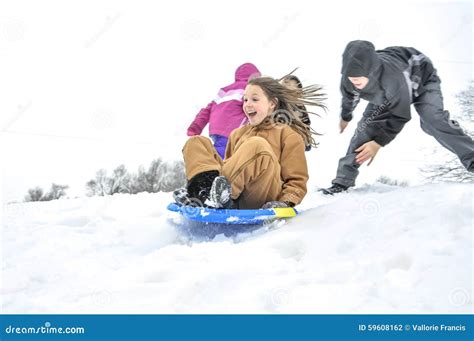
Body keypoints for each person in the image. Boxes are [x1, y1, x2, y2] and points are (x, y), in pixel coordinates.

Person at [321, 40, 474, 195]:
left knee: (433, 120)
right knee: (364, 130)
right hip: (386, 94)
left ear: (371, 71)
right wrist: (346, 116)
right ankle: (342, 182)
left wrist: (377, 143)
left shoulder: (392, 76)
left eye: (360, 78)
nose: (355, 82)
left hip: (421, 80)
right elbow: (349, 98)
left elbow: (400, 115)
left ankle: (472, 157)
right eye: (352, 78)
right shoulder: (349, 80)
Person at [174, 75, 326, 209]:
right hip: (233, 197)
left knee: (257, 145)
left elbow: (297, 181)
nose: (247, 104)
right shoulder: (238, 133)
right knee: (196, 142)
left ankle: (216, 197)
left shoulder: (288, 135)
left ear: (272, 104)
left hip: (262, 196)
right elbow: (230, 166)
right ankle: (203, 192)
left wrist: (285, 203)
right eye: (245, 99)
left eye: (255, 99)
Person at [187, 63, 261, 159]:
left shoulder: (224, 91)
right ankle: (213, 169)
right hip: (233, 128)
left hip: (216, 129)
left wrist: (195, 128)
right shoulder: (248, 89)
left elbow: (206, 110)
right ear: (253, 78)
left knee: (221, 149)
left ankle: (211, 165)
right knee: (225, 154)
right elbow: (253, 106)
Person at [281, 74, 319, 151]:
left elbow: (307, 145)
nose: (290, 96)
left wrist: (298, 122)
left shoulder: (301, 109)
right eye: (288, 91)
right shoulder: (275, 108)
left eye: (294, 92)